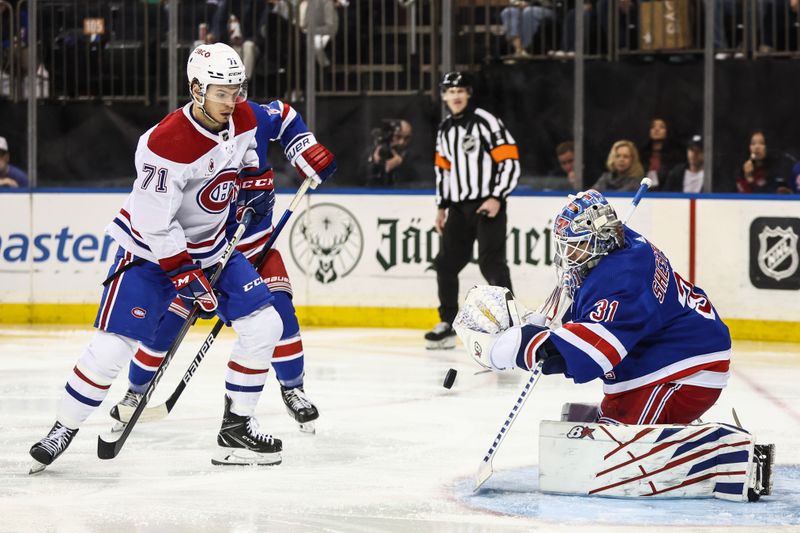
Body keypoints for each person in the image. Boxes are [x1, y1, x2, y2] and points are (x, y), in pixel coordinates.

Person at [28, 43, 335, 473]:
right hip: (151, 255)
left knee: (265, 323)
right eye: (221, 92)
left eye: (236, 90)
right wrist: (184, 273)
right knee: (113, 347)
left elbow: (272, 126)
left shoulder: (243, 114)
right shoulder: (163, 143)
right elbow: (154, 224)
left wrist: (291, 159)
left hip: (214, 250)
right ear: (196, 88)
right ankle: (64, 427)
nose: (232, 101)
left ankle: (235, 430)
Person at [456, 189, 732, 426]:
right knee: (610, 422)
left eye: (576, 247)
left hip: (685, 370)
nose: (568, 256)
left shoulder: (623, 280)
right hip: (669, 349)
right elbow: (595, 310)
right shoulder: (624, 244)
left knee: (618, 448)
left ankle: (703, 450)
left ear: (600, 240)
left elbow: (590, 352)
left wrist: (521, 347)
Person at [425, 71, 520, 349]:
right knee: (445, 264)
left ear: (468, 93)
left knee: (492, 264)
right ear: (444, 96)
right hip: (457, 206)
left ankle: (510, 326)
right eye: (450, 92)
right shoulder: (444, 129)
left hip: (487, 204)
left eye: (460, 91)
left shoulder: (486, 121)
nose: (455, 96)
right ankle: (448, 322)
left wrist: (497, 196)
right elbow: (442, 171)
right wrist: (441, 206)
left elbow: (510, 160)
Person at [365, 119, 412, 187]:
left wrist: (401, 164)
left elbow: (421, 181)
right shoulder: (372, 152)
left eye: (406, 138)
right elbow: (360, 177)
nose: (402, 142)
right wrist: (374, 162)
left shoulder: (413, 156)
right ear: (389, 135)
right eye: (398, 137)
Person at [638, 118, 683, 190]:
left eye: (661, 127)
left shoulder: (675, 155)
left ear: (667, 131)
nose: (656, 129)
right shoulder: (642, 154)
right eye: (653, 127)